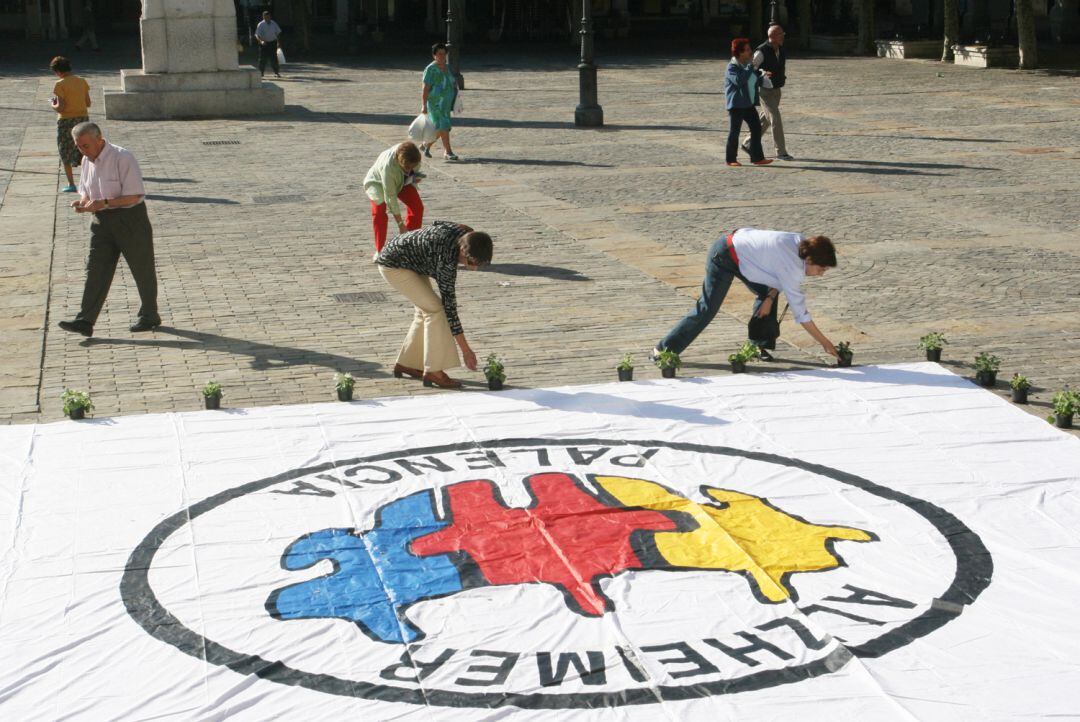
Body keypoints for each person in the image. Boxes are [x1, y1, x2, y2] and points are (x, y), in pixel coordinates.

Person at [653, 229, 838, 362]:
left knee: (766, 294)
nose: (821, 274)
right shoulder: (793, 266)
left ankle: (757, 345)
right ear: (810, 259)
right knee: (707, 308)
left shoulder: (801, 244)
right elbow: (801, 315)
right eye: (821, 269)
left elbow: (778, 276)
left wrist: (770, 297)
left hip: (745, 257)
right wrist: (825, 343)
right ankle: (663, 350)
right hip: (724, 255)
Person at [57, 122, 161, 338]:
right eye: (78, 146)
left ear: (99, 139)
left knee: (142, 269)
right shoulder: (87, 160)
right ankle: (85, 320)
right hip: (101, 222)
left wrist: (102, 203)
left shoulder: (123, 158)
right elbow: (86, 190)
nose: (82, 151)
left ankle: (150, 315)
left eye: (85, 145)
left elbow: (134, 195)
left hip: (130, 219)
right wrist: (83, 202)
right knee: (95, 269)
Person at [375, 221, 492, 389]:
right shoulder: (446, 260)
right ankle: (434, 371)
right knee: (436, 310)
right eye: (471, 263)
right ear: (462, 251)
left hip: (411, 260)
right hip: (394, 265)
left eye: (479, 264)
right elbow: (450, 309)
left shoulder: (466, 234)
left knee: (425, 310)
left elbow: (439, 223)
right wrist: (466, 350)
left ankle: (409, 362)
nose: (474, 269)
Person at [742, 25, 793, 161]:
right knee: (775, 118)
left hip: (776, 90)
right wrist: (761, 76)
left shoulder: (781, 49)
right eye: (781, 34)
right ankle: (781, 152)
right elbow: (750, 69)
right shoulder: (761, 51)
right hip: (765, 92)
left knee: (765, 120)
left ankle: (747, 143)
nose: (783, 36)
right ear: (773, 36)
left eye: (783, 34)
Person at [364, 141, 425, 252]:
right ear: (398, 160)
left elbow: (412, 170)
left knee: (417, 207)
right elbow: (390, 197)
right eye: (407, 167)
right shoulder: (388, 166)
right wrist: (401, 224)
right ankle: (380, 251)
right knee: (379, 211)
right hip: (377, 182)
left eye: (412, 167)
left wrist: (413, 175)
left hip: (402, 180)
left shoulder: (414, 156)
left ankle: (408, 245)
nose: (410, 170)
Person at [725, 38, 772, 168]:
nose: (750, 52)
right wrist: (751, 67)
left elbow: (753, 80)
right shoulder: (732, 67)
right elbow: (739, 80)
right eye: (747, 50)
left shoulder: (747, 66)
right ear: (740, 53)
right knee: (734, 132)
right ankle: (731, 159)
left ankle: (757, 157)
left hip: (748, 104)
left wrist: (763, 77)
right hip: (736, 105)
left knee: (757, 128)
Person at [49, 56, 91, 193]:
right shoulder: (82, 81)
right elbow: (88, 103)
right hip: (83, 119)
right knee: (86, 149)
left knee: (65, 150)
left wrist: (52, 104)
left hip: (66, 120)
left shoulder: (60, 84)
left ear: (58, 72)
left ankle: (71, 183)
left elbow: (60, 107)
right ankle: (89, 180)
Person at [419, 43, 459, 162]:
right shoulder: (430, 69)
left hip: (446, 104)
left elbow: (451, 82)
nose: (442, 56)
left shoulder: (448, 67)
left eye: (444, 54)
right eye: (439, 54)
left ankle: (426, 144)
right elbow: (425, 88)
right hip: (435, 103)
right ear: (434, 55)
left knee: (440, 127)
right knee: (444, 125)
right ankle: (448, 152)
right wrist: (423, 105)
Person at [255, 11, 282, 78]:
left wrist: (278, 42)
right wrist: (261, 41)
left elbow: (278, 33)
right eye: (265, 17)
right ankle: (261, 73)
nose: (267, 18)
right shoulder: (261, 24)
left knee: (274, 58)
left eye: (268, 16)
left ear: (270, 16)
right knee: (262, 59)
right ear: (263, 17)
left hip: (273, 43)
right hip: (264, 44)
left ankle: (276, 72)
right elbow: (257, 35)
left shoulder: (273, 23)